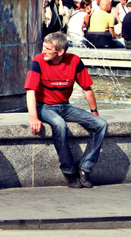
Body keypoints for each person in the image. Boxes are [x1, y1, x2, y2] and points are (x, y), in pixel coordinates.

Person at [25, 32, 108, 189]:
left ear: (60, 52)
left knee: (101, 124)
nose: (44, 51)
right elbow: (30, 91)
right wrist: (33, 118)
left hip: (65, 106)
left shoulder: (74, 61)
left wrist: (94, 111)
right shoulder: (38, 61)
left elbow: (87, 89)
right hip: (44, 107)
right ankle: (69, 171)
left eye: (48, 48)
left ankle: (85, 167)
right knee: (59, 125)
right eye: (44, 47)